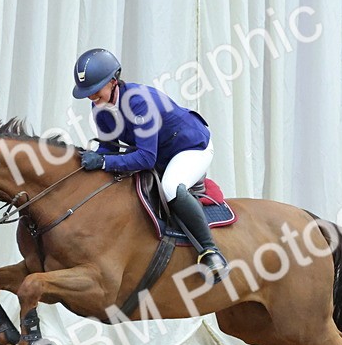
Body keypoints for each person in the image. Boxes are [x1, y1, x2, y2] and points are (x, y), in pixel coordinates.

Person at [72, 48, 229, 282]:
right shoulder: (99, 107)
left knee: (170, 187)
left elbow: (146, 159)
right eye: (88, 93)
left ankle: (211, 251)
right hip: (161, 152)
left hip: (191, 148)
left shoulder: (139, 102)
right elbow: (109, 147)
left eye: (95, 91)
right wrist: (91, 160)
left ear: (113, 82)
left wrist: (103, 161)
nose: (91, 97)